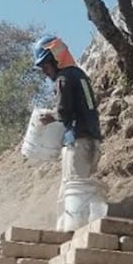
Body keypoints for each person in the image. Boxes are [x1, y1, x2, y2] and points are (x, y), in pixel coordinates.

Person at [33, 35, 102, 184]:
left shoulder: (63, 78)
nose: (45, 72)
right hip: (93, 139)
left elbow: (63, 112)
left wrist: (50, 116)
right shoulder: (79, 74)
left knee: (74, 190)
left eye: (45, 67)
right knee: (83, 188)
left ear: (55, 60)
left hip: (78, 141)